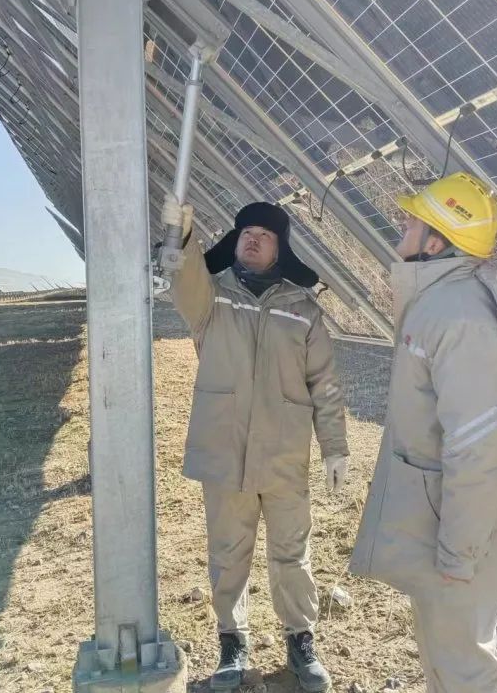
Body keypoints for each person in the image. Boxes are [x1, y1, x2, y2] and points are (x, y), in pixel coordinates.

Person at [349, 172, 497, 692]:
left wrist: (459, 554)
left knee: (466, 673)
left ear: (436, 243)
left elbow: (477, 447)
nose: (402, 227)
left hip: (460, 539)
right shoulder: (440, 305)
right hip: (443, 526)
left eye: (413, 222)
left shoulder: (461, 320)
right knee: (445, 661)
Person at [161, 194, 348, 692]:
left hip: (284, 454)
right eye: (246, 233)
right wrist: (181, 235)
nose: (253, 240)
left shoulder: (302, 310)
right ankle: (232, 642)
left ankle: (300, 639)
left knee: (292, 552)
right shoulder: (212, 300)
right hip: (225, 450)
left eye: (264, 235)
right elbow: (184, 277)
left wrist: (335, 446)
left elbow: (325, 384)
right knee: (228, 552)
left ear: (279, 248)